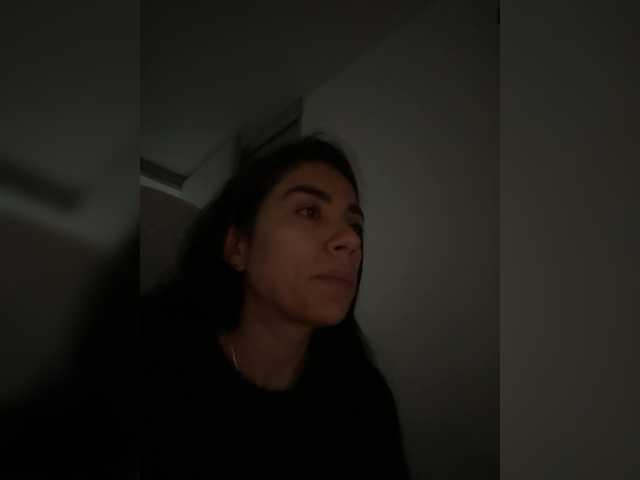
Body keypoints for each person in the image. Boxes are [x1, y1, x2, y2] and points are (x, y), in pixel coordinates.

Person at [141, 134, 412, 479]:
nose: (351, 241)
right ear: (238, 248)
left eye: (354, 224)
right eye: (310, 211)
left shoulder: (364, 401)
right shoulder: (149, 354)